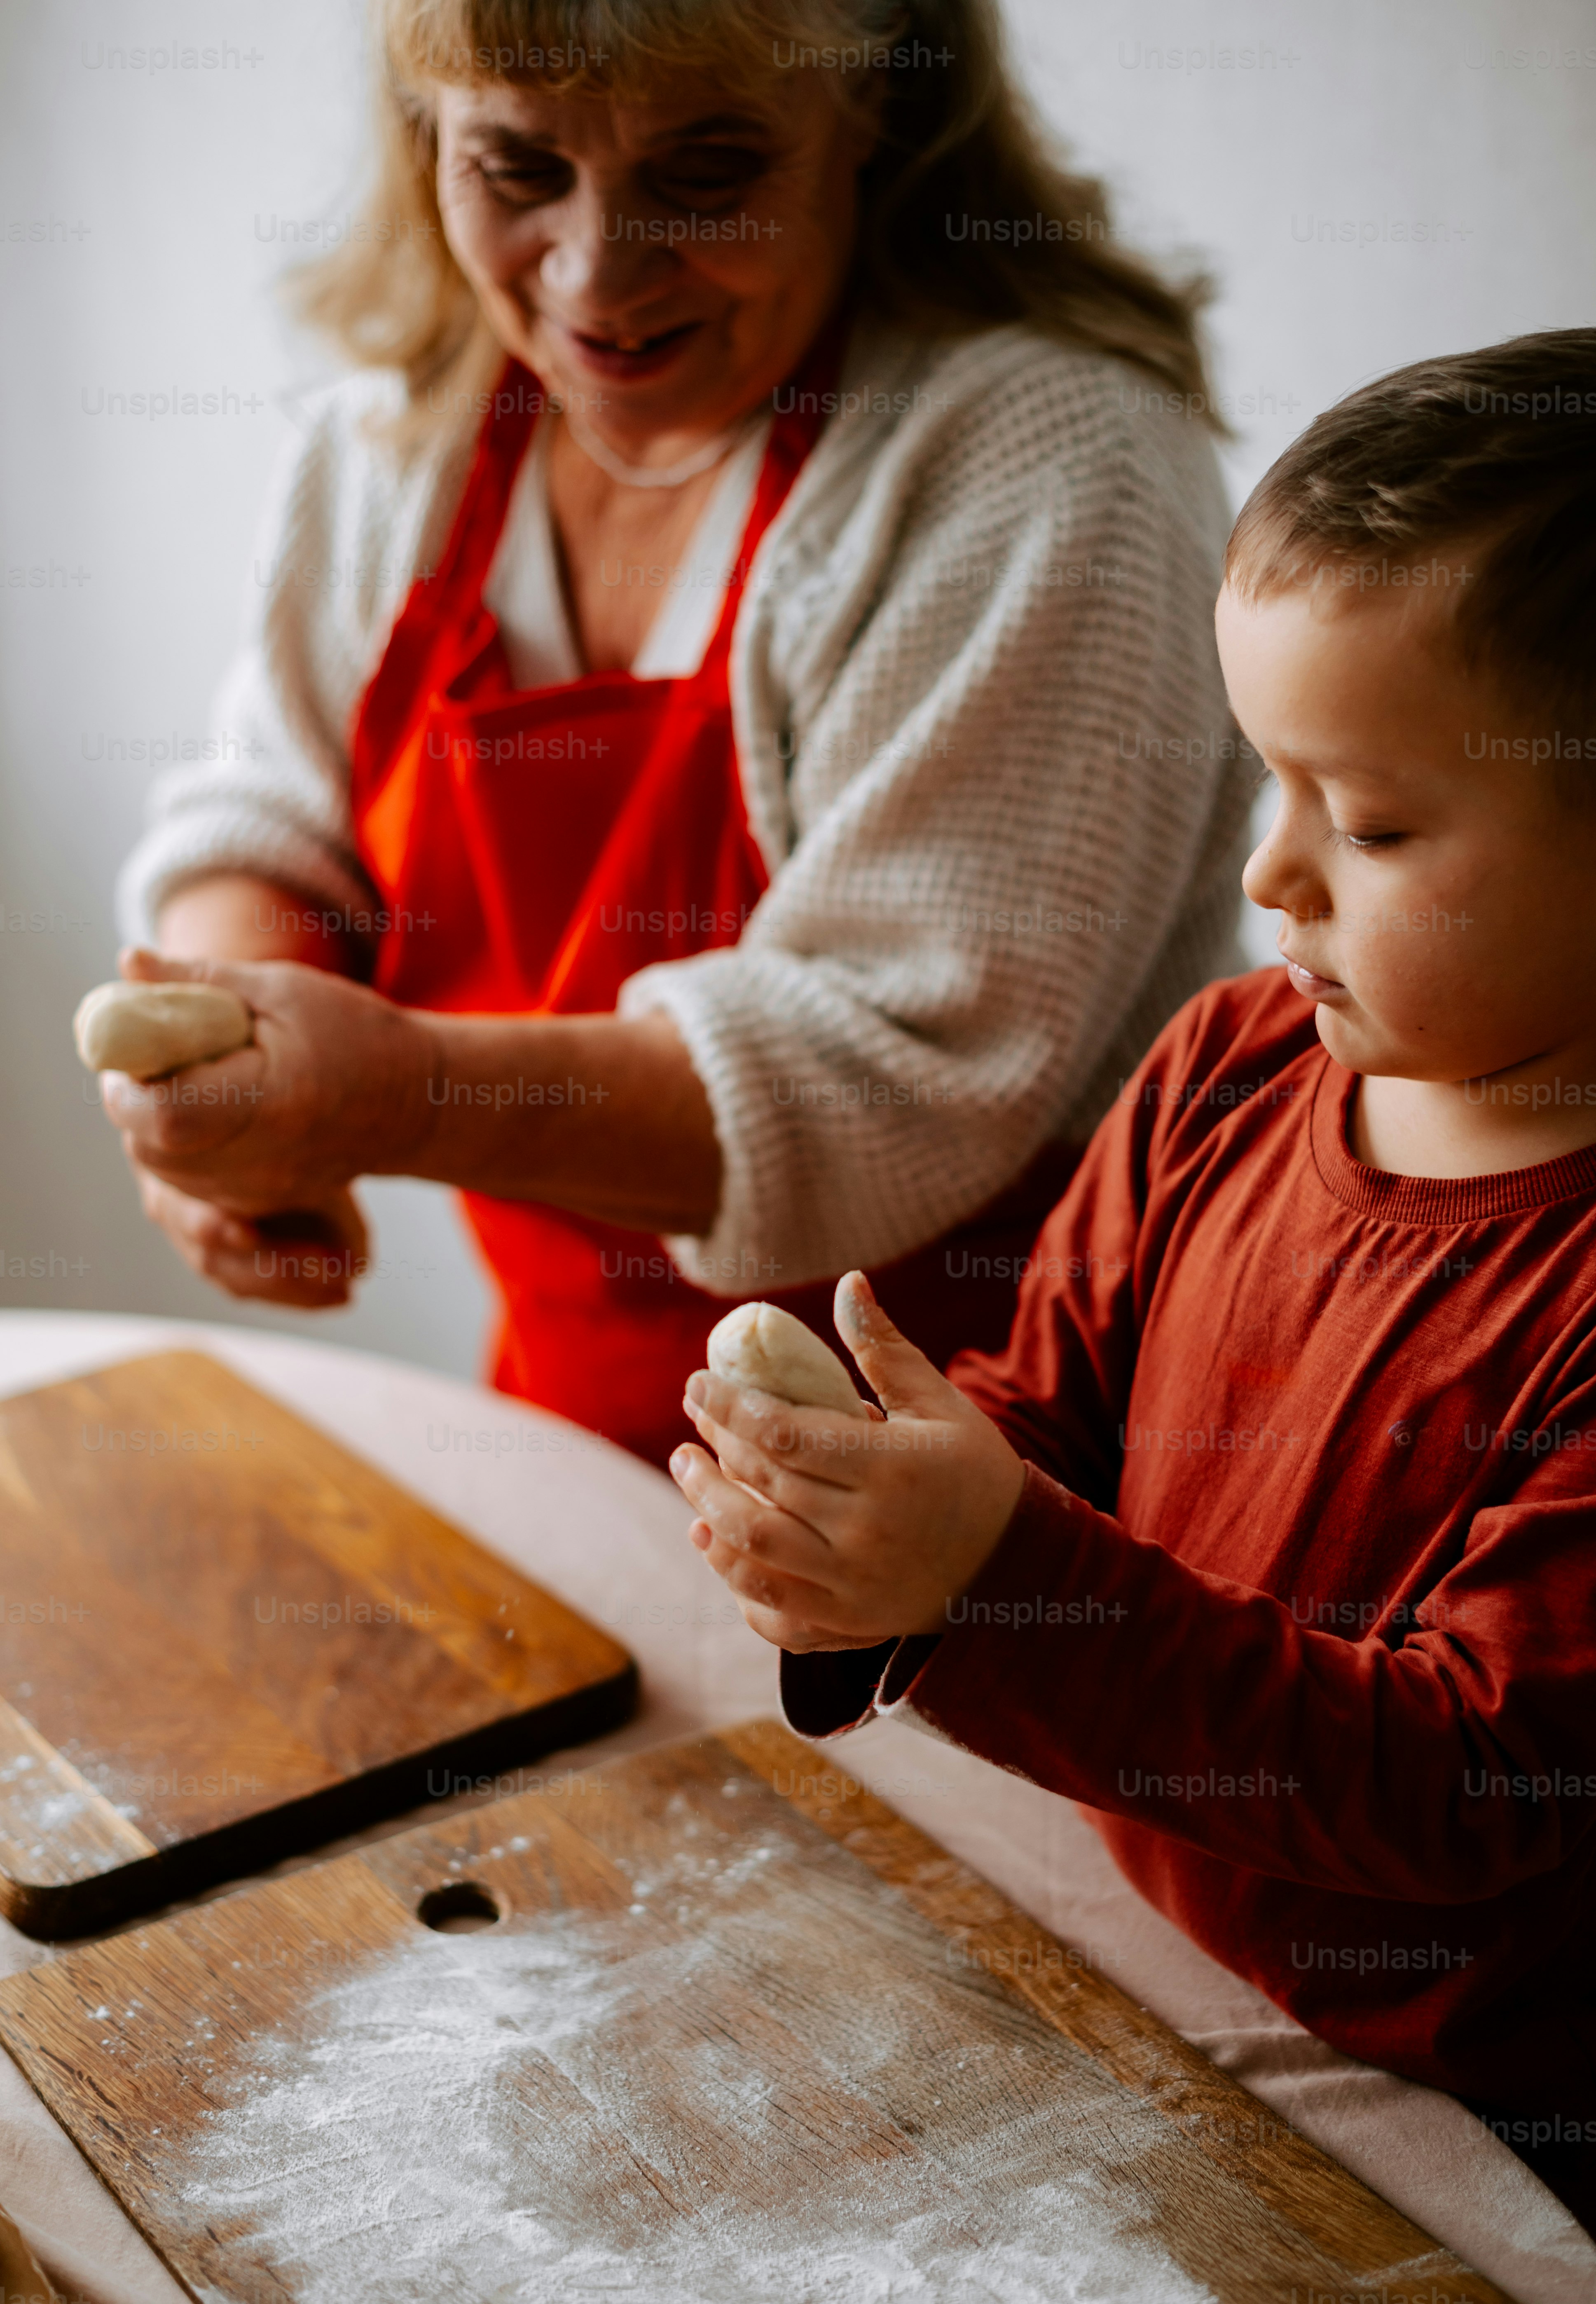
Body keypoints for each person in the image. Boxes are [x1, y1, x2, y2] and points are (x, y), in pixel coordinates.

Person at [670, 331, 1596, 2229]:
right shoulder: (1231, 1072)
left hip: (1485, 2131)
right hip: (1141, 1950)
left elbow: (1473, 1786)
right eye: (1275, 782)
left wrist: (995, 1575)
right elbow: (1051, 1410)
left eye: (1381, 823)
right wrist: (872, 1516)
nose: (1274, 873)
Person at [106, 0, 1248, 1467]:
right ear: (425, 132)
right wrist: (231, 1074)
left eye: (707, 170)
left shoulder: (1048, 472)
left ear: (878, 117)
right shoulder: (399, 436)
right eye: (518, 169)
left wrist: (393, 1094)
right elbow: (274, 815)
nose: (595, 272)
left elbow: (887, 1079)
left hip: (996, 1494)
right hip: (586, 1433)